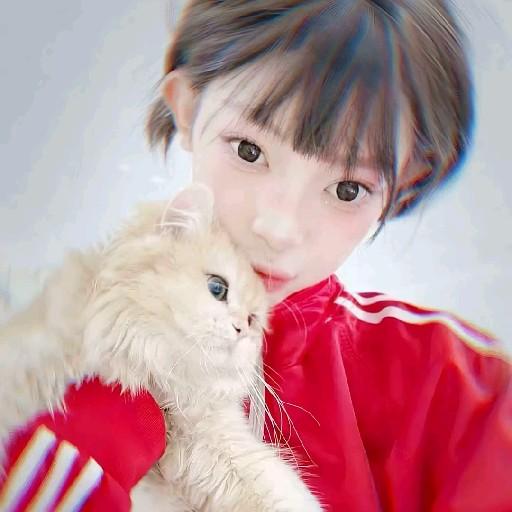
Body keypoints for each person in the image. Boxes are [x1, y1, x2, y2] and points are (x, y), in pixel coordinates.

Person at [1, 1, 511, 510]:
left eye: (348, 189)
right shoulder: (57, 350)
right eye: (249, 150)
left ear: (405, 185)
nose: (279, 228)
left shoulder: (458, 393)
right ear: (187, 107)